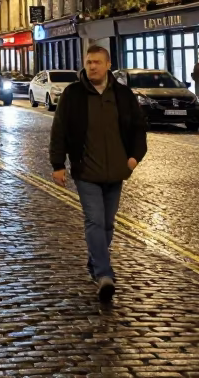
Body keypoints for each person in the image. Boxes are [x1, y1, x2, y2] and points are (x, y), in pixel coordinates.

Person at [50, 44, 147, 303]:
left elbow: (139, 129)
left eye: (96, 62)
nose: (91, 66)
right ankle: (104, 275)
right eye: (88, 61)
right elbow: (59, 130)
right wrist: (58, 164)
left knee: (107, 223)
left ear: (108, 65)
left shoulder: (123, 95)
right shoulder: (73, 94)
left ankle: (95, 261)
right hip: (87, 171)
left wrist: (134, 158)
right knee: (94, 220)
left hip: (117, 171)